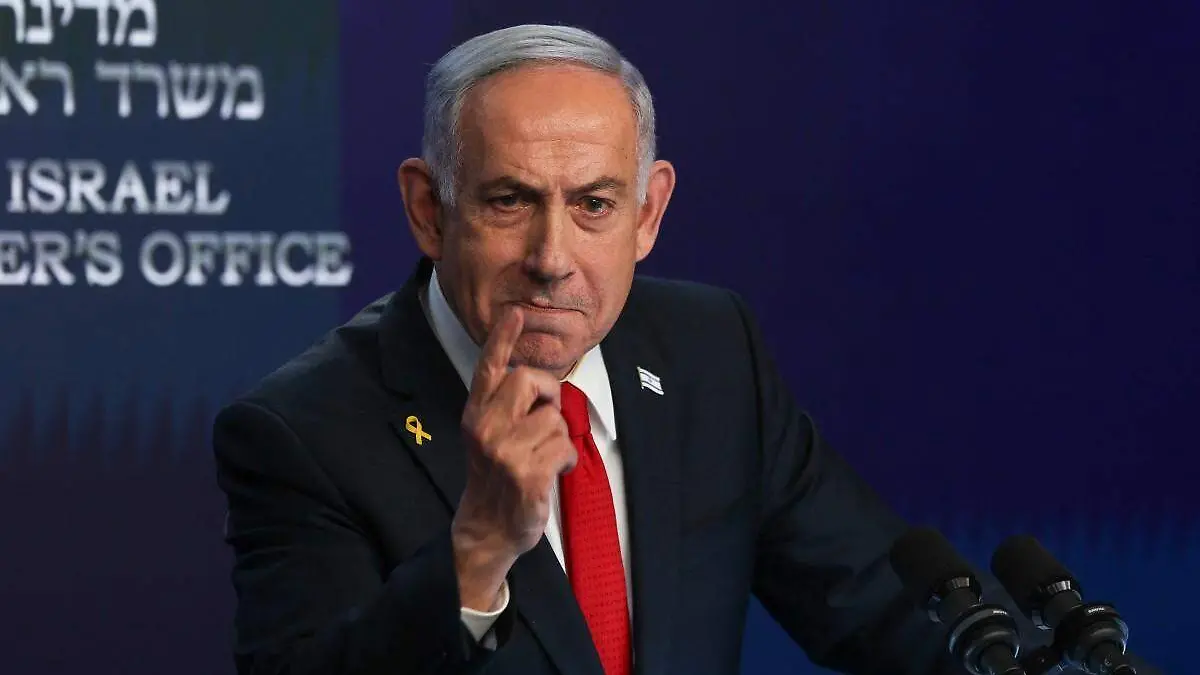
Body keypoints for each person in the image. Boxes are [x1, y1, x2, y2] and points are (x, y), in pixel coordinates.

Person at [211, 23, 1156, 675]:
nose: (552, 256)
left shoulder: (710, 353)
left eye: (594, 204)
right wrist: (479, 550)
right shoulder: (303, 431)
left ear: (649, 212)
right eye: (508, 201)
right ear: (429, 209)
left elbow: (889, 610)